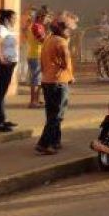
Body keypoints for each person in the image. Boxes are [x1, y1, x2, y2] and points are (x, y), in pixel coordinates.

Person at [35, 18, 75, 155]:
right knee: (57, 115)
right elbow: (65, 62)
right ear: (62, 30)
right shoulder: (61, 42)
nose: (70, 32)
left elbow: (42, 63)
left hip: (47, 80)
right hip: (58, 81)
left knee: (51, 113)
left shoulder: (48, 40)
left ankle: (55, 141)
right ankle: (43, 144)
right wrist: (68, 73)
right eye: (68, 30)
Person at [0, 8, 19, 132]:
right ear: (6, 19)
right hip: (2, 66)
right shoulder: (0, 29)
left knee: (2, 94)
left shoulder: (6, 29)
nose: (15, 20)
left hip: (7, 65)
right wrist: (1, 59)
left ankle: (2, 119)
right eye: (13, 18)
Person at [26, 9, 49, 109]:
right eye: (45, 17)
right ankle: (32, 101)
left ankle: (37, 99)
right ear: (39, 17)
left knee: (39, 80)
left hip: (39, 55)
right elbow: (42, 40)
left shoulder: (40, 26)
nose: (46, 19)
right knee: (35, 79)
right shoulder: (35, 26)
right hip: (35, 55)